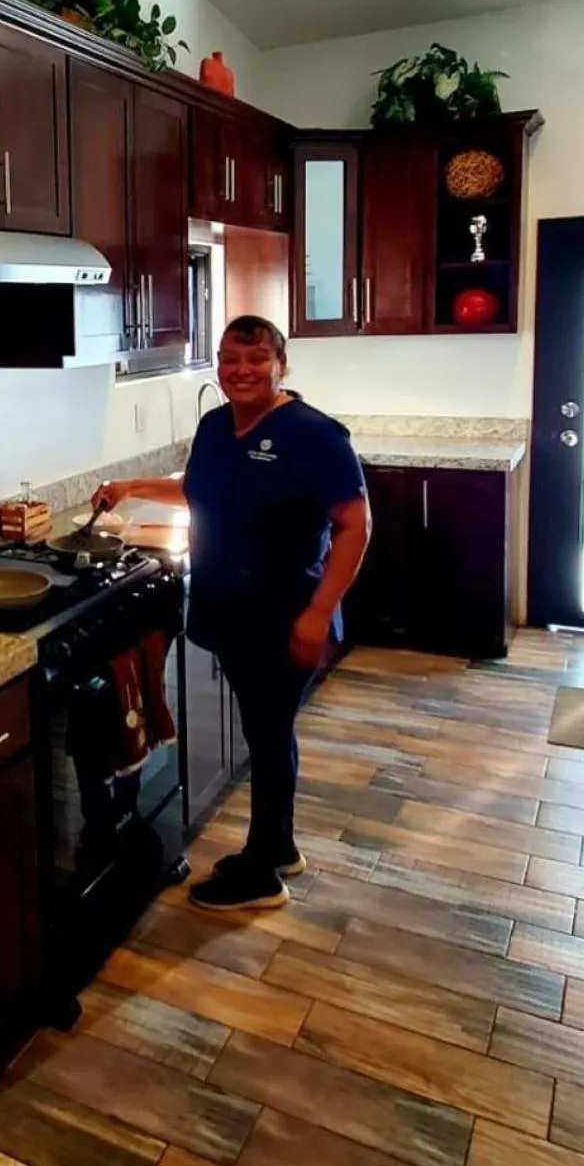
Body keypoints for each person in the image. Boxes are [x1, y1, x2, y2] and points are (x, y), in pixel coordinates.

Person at [93, 315, 370, 912]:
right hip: (230, 608)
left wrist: (318, 613)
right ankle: (280, 846)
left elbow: (355, 527)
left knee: (267, 736)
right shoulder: (216, 425)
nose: (240, 371)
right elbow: (201, 489)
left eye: (255, 359)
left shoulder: (315, 435)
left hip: (285, 612)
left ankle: (261, 875)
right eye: (228, 359)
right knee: (268, 733)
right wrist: (129, 485)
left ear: (281, 364)